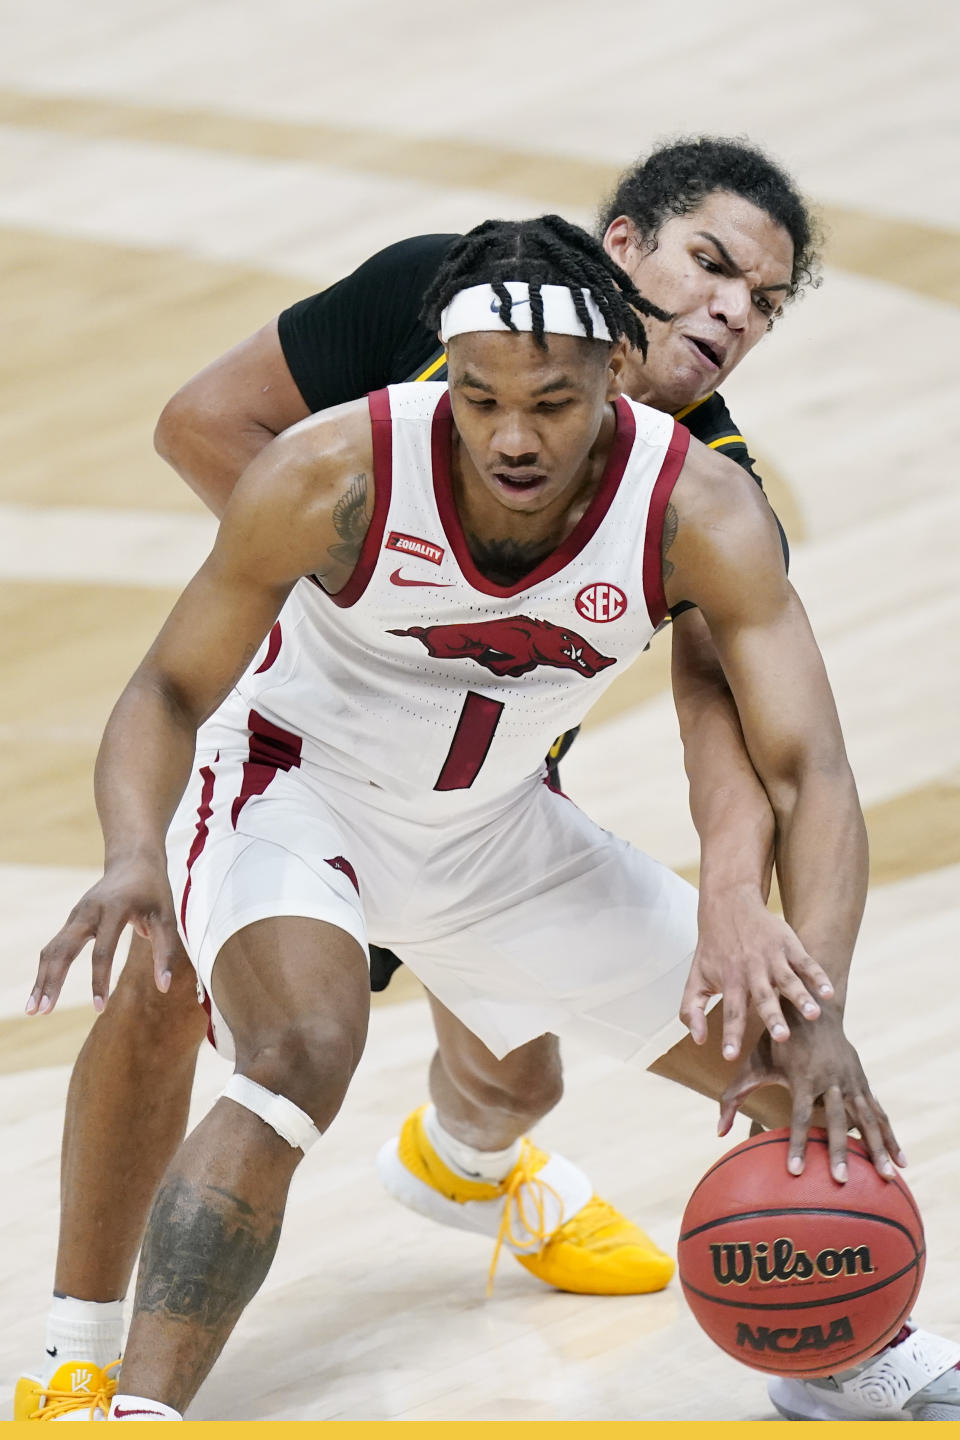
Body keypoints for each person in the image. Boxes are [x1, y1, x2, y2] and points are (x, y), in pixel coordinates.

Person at [17, 142, 959, 1422]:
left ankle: (824, 1342)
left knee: (792, 1067)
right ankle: (103, 1378)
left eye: (764, 299)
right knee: (253, 1023)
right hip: (297, 780)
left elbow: (772, 748)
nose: (733, 308)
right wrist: (351, 589)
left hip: (493, 815)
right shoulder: (342, 457)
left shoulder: (712, 505)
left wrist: (764, 924)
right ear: (624, 259)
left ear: (606, 382)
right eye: (713, 266)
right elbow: (171, 673)